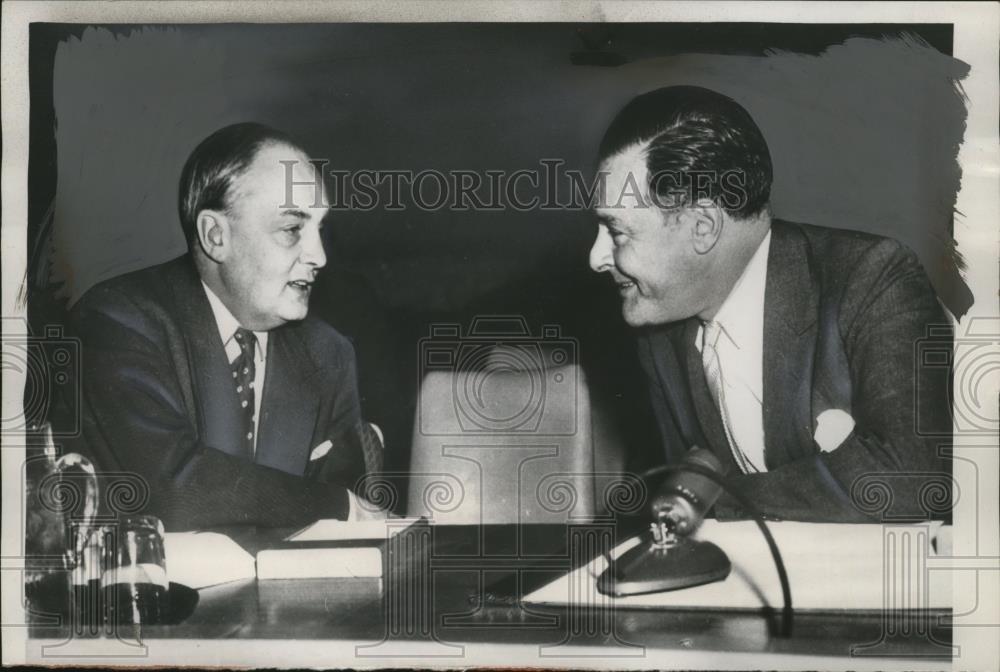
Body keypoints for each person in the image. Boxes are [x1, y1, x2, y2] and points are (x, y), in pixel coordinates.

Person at [588, 86, 952, 522]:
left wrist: (718, 499)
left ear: (703, 227)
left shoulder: (872, 277)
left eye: (617, 231)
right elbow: (684, 477)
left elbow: (914, 478)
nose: (595, 258)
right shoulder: (658, 325)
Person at [72, 123, 382, 530]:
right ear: (216, 235)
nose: (319, 256)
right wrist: (336, 506)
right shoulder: (118, 320)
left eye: (319, 228)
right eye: (292, 229)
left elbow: (342, 548)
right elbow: (175, 489)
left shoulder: (329, 353)